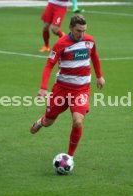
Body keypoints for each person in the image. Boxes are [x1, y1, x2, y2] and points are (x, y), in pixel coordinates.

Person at [31, 15, 105, 159]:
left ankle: (69, 156)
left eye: (84, 31)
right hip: (62, 89)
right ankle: (41, 121)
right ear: (70, 28)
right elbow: (49, 65)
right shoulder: (61, 44)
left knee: (78, 121)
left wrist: (99, 76)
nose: (81, 34)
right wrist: (43, 88)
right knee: (49, 122)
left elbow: (94, 56)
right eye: (78, 31)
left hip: (81, 90)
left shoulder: (89, 41)